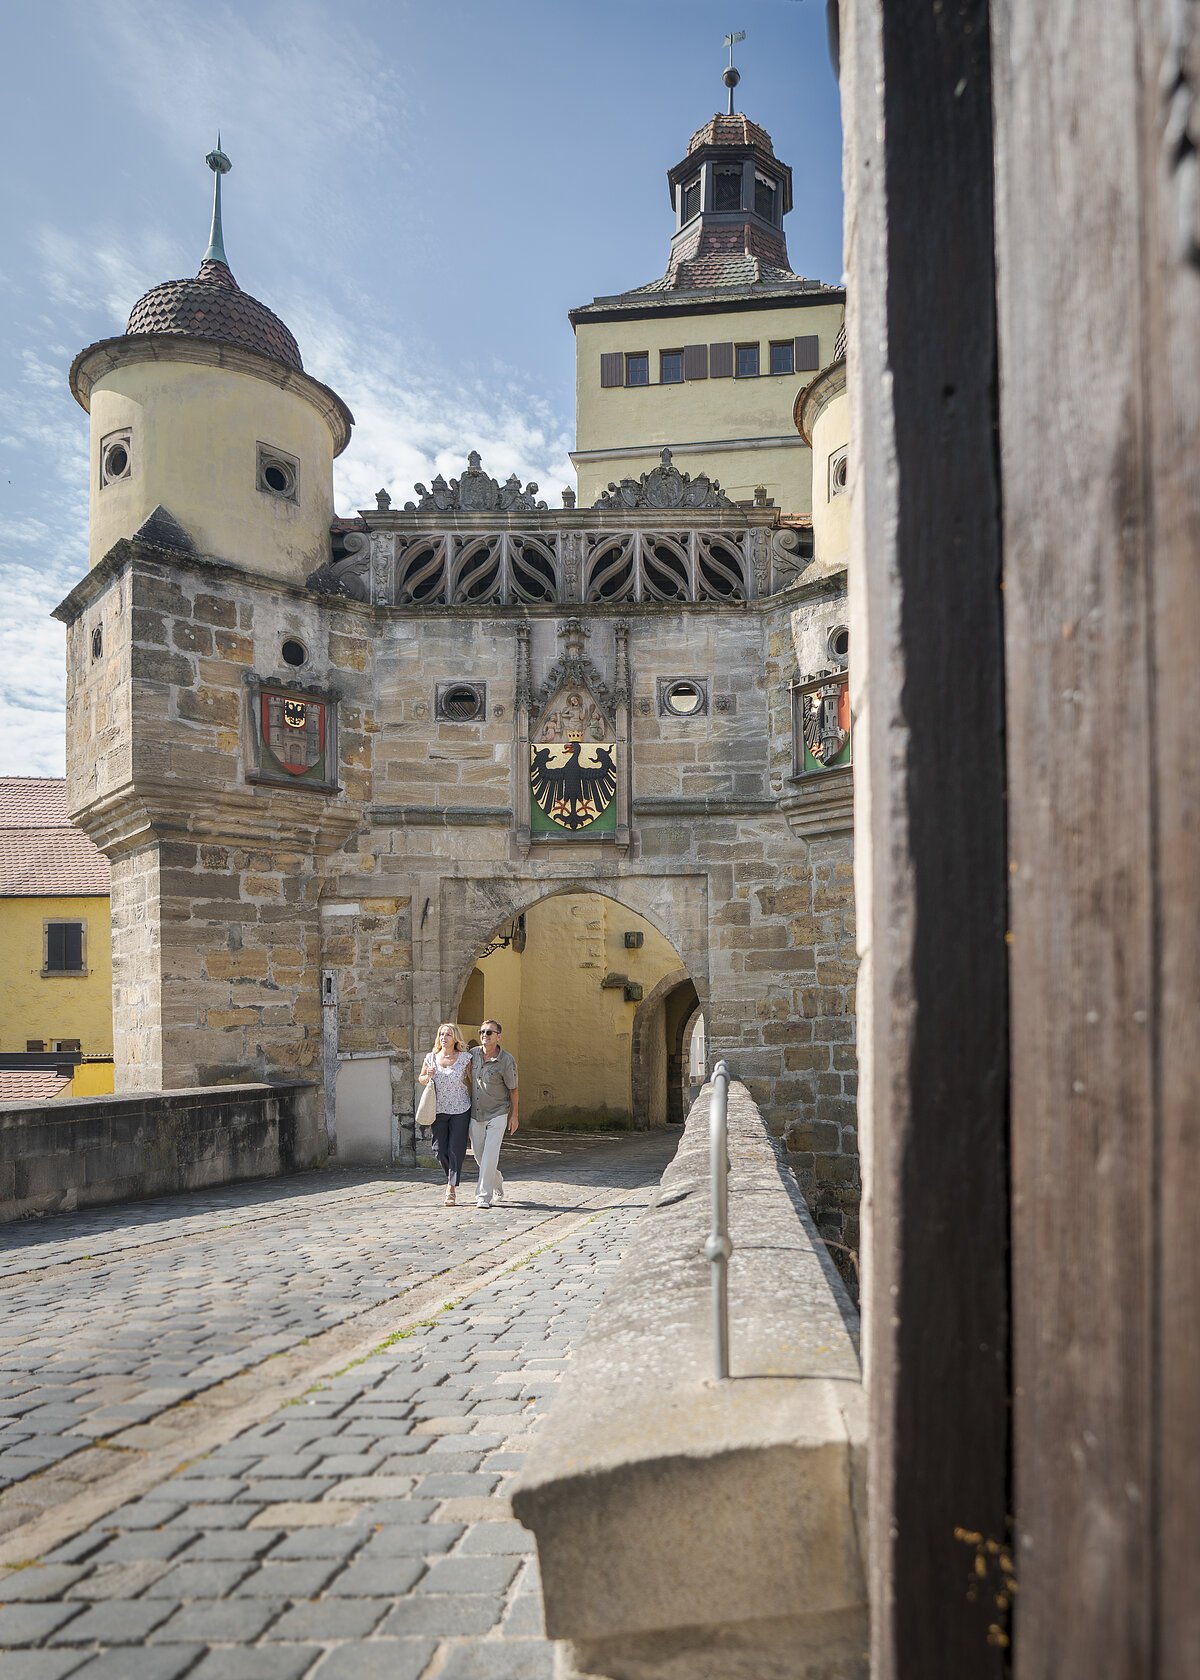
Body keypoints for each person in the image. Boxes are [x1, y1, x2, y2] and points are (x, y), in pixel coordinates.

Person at [418, 1022, 472, 1207]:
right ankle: (451, 1176)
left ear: (455, 1038)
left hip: (460, 1109)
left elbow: (474, 1082)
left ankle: (451, 1188)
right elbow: (421, 1079)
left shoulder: (465, 1058)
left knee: (456, 1149)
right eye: (441, 1034)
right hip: (439, 1109)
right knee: (439, 1150)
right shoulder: (431, 1058)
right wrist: (428, 1075)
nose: (444, 1037)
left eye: (448, 1034)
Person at [469, 1019, 518, 1209]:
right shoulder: (473, 1054)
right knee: (480, 1157)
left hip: (498, 1113)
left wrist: (514, 1115)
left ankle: (483, 1196)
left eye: (489, 1032)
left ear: (499, 1037)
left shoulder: (506, 1060)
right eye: (482, 1032)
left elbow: (513, 1089)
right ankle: (497, 1180)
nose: (484, 1035)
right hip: (476, 1113)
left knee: (490, 1155)